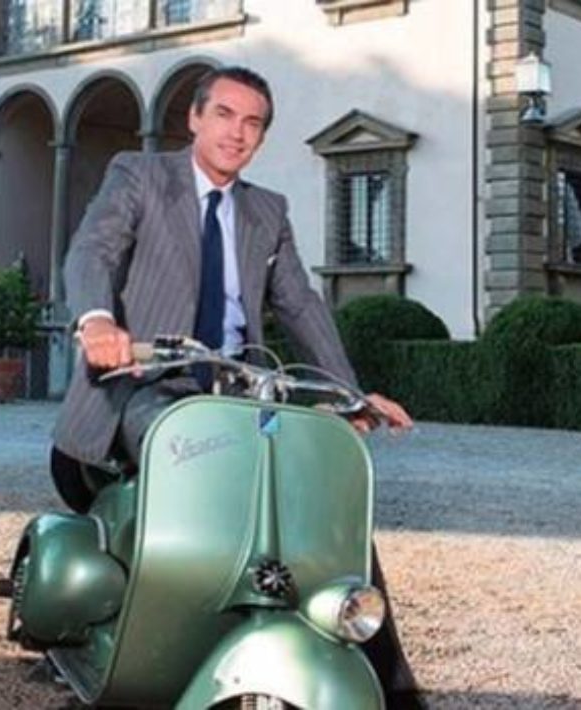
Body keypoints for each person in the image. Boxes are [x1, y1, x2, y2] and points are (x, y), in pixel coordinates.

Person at [49, 66, 422, 708]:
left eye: (253, 123)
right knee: (195, 463)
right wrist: (98, 320)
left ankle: (391, 689)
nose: (237, 132)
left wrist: (348, 394)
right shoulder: (139, 176)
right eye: (223, 114)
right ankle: (144, 658)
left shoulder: (266, 210)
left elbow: (300, 304)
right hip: (141, 385)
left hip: (233, 394)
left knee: (319, 497)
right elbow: (93, 251)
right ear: (194, 118)